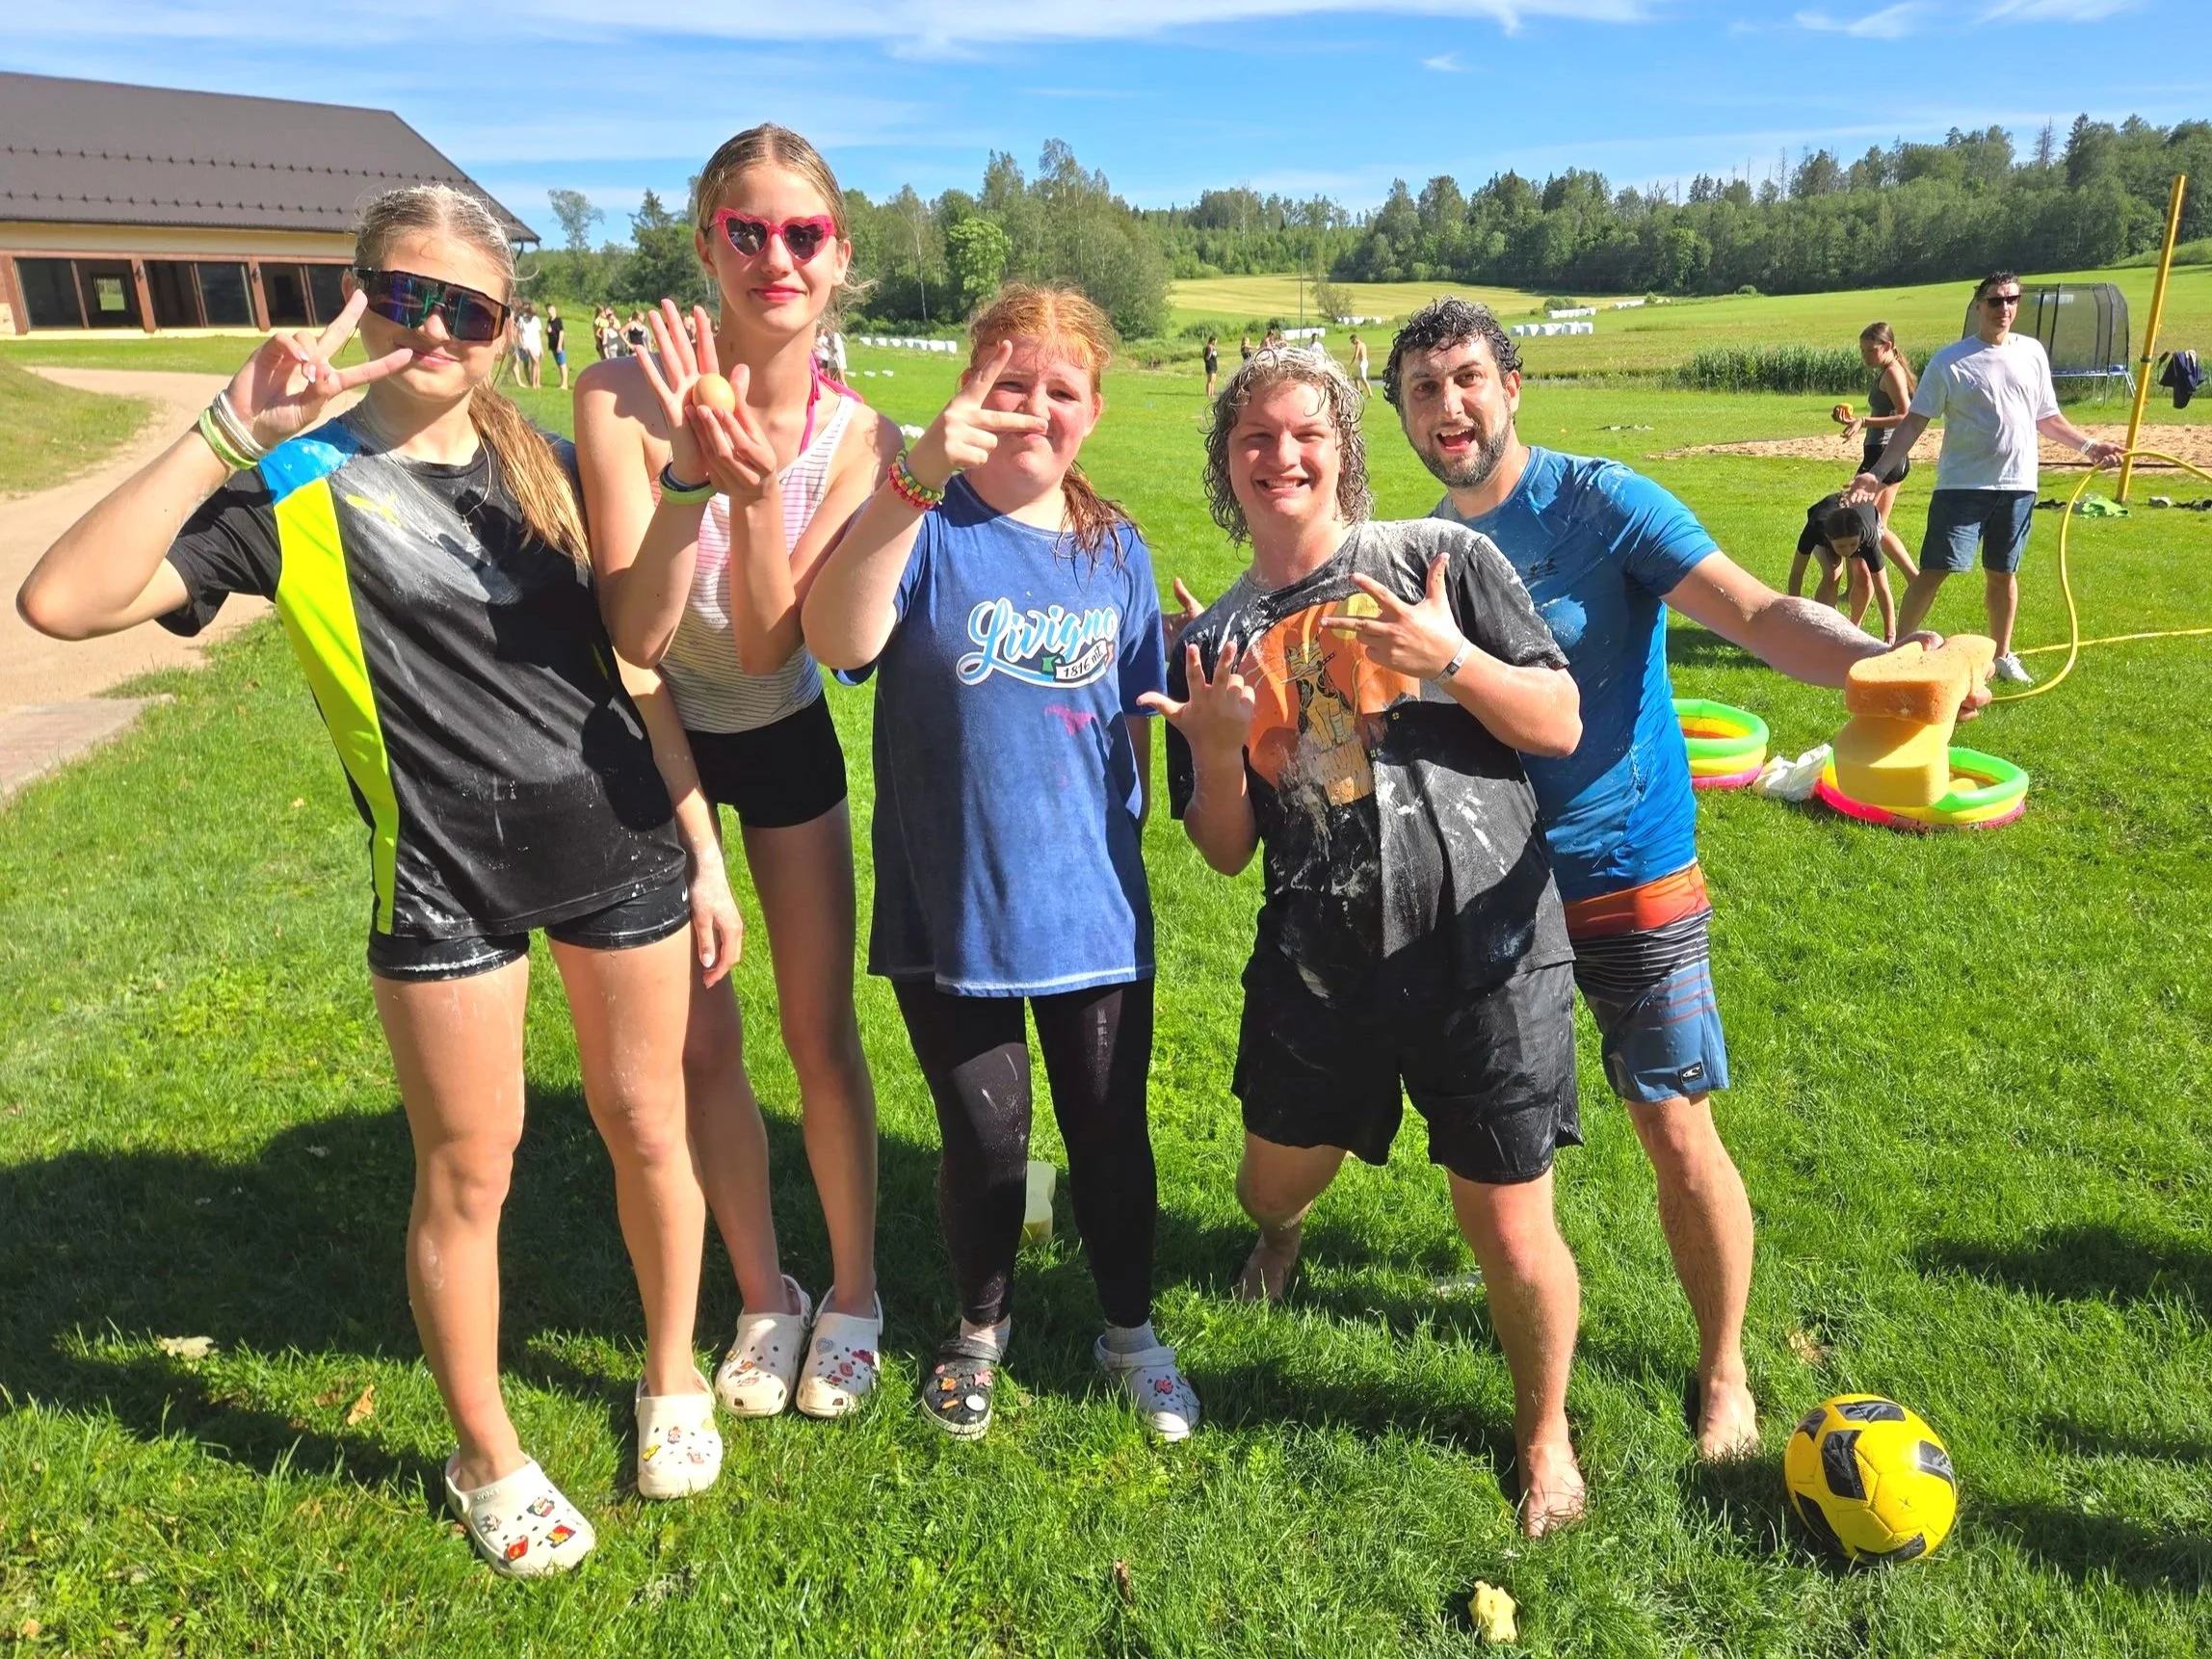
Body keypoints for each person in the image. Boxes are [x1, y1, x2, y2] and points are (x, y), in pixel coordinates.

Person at [15, 183, 724, 1575]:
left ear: (507, 327)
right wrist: (227, 429)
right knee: (470, 1167)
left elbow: (636, 664)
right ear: (357, 295)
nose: (435, 327)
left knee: (653, 1126)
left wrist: (703, 845)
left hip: (622, 841)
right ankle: (484, 1449)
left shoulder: (556, 473)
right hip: (444, 879)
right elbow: (63, 601)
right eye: (406, 295)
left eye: (470, 307)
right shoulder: (290, 485)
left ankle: (671, 1371)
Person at [1378, 298, 1989, 1462]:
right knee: (1506, 1151)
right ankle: (1534, 1345)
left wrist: (1892, 663)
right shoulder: (1425, 554)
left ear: (1511, 387)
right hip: (1498, 882)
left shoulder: (1603, 504)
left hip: (1629, 862)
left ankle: (1723, 1370)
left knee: (1673, 1125)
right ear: (1403, 412)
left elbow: (1759, 612)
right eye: (1421, 389)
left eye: (1465, 378)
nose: (1447, 406)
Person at [1149, 346, 1585, 1532]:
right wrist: (1220, 741)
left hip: (1485, 952)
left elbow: (1557, 720)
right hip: (1319, 965)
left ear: (1343, 446)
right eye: (1253, 439)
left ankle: (1543, 1435)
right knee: (1263, 1186)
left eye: (1304, 433)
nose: (1280, 455)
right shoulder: (1217, 638)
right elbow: (1227, 848)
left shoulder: (1437, 562)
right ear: (1225, 470)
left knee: (1507, 1217)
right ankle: (1284, 1234)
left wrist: (1450, 658)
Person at [803, 285, 1200, 1444]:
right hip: (954, 903)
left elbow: (1135, 716)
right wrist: (913, 478)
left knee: (1107, 1131)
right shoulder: (922, 518)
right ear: (970, 384)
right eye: (1009, 383)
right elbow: (839, 640)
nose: (1033, 409)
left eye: (1060, 390)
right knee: (986, 1135)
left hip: (1090, 909)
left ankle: (1129, 1329)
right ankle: (980, 1326)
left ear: (1095, 409)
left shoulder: (1114, 542)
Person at [576, 124, 888, 1427]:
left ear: (837, 259)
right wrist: (694, 473)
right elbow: (637, 635)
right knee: (705, 1037)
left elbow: (768, 642)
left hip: (781, 725)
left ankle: (858, 1293)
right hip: (651, 734)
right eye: (746, 231)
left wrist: (753, 493)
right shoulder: (615, 396)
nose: (775, 255)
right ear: (708, 242)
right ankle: (766, 1291)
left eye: (801, 235)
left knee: (819, 1030)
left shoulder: (857, 432)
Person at [1851, 272, 2123, 683]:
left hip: (2017, 486)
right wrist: (1876, 474)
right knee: (1935, 570)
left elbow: (2047, 418)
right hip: (1962, 486)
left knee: (2003, 573)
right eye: (1995, 301)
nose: (2005, 308)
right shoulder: (1950, 360)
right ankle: (1898, 651)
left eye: (2012, 300)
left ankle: (2003, 655)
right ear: (1978, 305)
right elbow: (1913, 423)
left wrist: (2088, 446)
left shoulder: (2031, 353)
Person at [1833, 322, 1920, 584]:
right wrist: (1854, 420)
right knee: (1878, 527)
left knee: (1852, 519)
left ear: (1888, 346)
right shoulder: (1889, 369)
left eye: (1870, 350)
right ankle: (1915, 579)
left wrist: (1865, 422)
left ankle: (1858, 588)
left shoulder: (1892, 373)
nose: (1865, 357)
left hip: (1882, 456)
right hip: (1892, 457)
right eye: (1862, 351)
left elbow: (1906, 416)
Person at [1787, 490, 1895, 642]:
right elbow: (1797, 573)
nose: (1848, 551)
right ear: (1829, 539)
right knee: (1832, 572)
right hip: (1825, 527)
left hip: (1866, 520)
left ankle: (1853, 628)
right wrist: (1794, 611)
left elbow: (1883, 589)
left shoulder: (1868, 537)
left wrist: (1890, 635)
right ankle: (1822, 629)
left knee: (1864, 578)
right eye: (1841, 547)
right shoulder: (1815, 529)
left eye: (1852, 544)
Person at [515, 301, 543, 390]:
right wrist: (522, 344)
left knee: (537, 364)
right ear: (527, 312)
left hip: (536, 344)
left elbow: (538, 335)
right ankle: (533, 383)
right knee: (534, 362)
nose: (532, 316)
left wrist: (541, 347)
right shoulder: (521, 320)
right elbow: (518, 333)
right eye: (530, 314)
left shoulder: (536, 320)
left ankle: (537, 382)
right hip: (527, 344)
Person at [546, 303, 569, 391]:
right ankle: (562, 382)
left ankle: (565, 384)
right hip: (552, 345)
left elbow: (561, 333)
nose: (549, 311)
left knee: (563, 364)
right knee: (559, 364)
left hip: (558, 346)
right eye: (548, 310)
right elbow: (549, 332)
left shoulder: (558, 320)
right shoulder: (549, 321)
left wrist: (559, 345)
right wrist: (547, 331)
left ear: (554, 310)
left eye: (550, 309)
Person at [1350, 331, 1371, 396]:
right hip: (1365, 362)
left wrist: (1351, 363)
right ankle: (1358, 392)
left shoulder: (1358, 345)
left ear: (1355, 339)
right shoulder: (1363, 344)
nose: (1352, 343)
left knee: (1363, 379)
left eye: (1352, 341)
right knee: (1356, 378)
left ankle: (1370, 394)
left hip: (1362, 363)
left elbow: (1356, 355)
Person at [1203, 332, 1220, 398]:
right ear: (1212, 341)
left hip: (1214, 365)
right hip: (1210, 365)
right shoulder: (1209, 347)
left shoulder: (1213, 347)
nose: (1216, 342)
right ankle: (1208, 394)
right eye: (1215, 341)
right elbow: (1207, 357)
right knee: (1210, 380)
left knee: (1213, 381)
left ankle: (1212, 394)